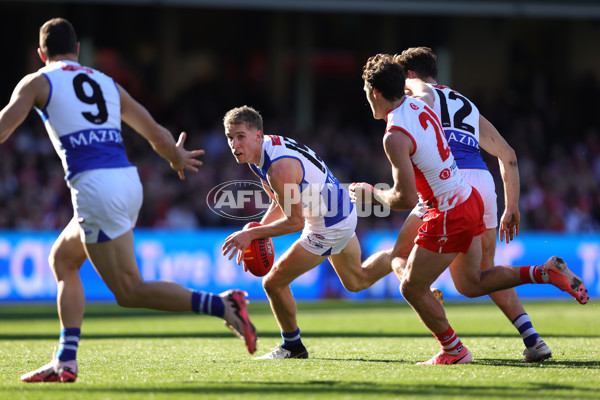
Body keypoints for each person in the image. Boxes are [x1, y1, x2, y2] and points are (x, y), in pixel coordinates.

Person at [0, 18, 256, 383]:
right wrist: (176, 158)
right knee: (63, 259)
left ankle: (223, 305)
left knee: (129, 290)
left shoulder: (39, 80)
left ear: (41, 54)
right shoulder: (106, 83)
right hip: (126, 179)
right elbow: (154, 132)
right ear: (77, 51)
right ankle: (65, 359)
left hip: (94, 187)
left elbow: (5, 126)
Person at [351, 54, 588, 365]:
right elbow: (508, 154)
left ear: (380, 90)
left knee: (407, 274)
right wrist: (511, 203)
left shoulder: (405, 118)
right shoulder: (436, 104)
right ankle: (540, 289)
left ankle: (452, 344)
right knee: (472, 281)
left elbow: (406, 196)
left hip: (447, 199)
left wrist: (373, 194)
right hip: (476, 191)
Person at [388, 46, 548, 362]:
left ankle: (427, 296)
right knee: (480, 275)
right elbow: (508, 155)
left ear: (409, 75)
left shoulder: (413, 101)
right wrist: (511, 205)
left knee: (400, 255)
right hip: (484, 183)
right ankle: (533, 339)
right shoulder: (466, 104)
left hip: (447, 183)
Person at [221, 105, 392, 359]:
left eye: (240, 136)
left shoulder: (277, 167)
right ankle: (406, 259)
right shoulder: (260, 154)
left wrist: (252, 235)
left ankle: (292, 347)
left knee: (274, 283)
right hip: (341, 211)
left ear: (257, 135)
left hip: (327, 223)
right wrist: (258, 230)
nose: (234, 144)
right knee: (357, 280)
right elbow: (282, 202)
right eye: (230, 138)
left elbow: (295, 222)